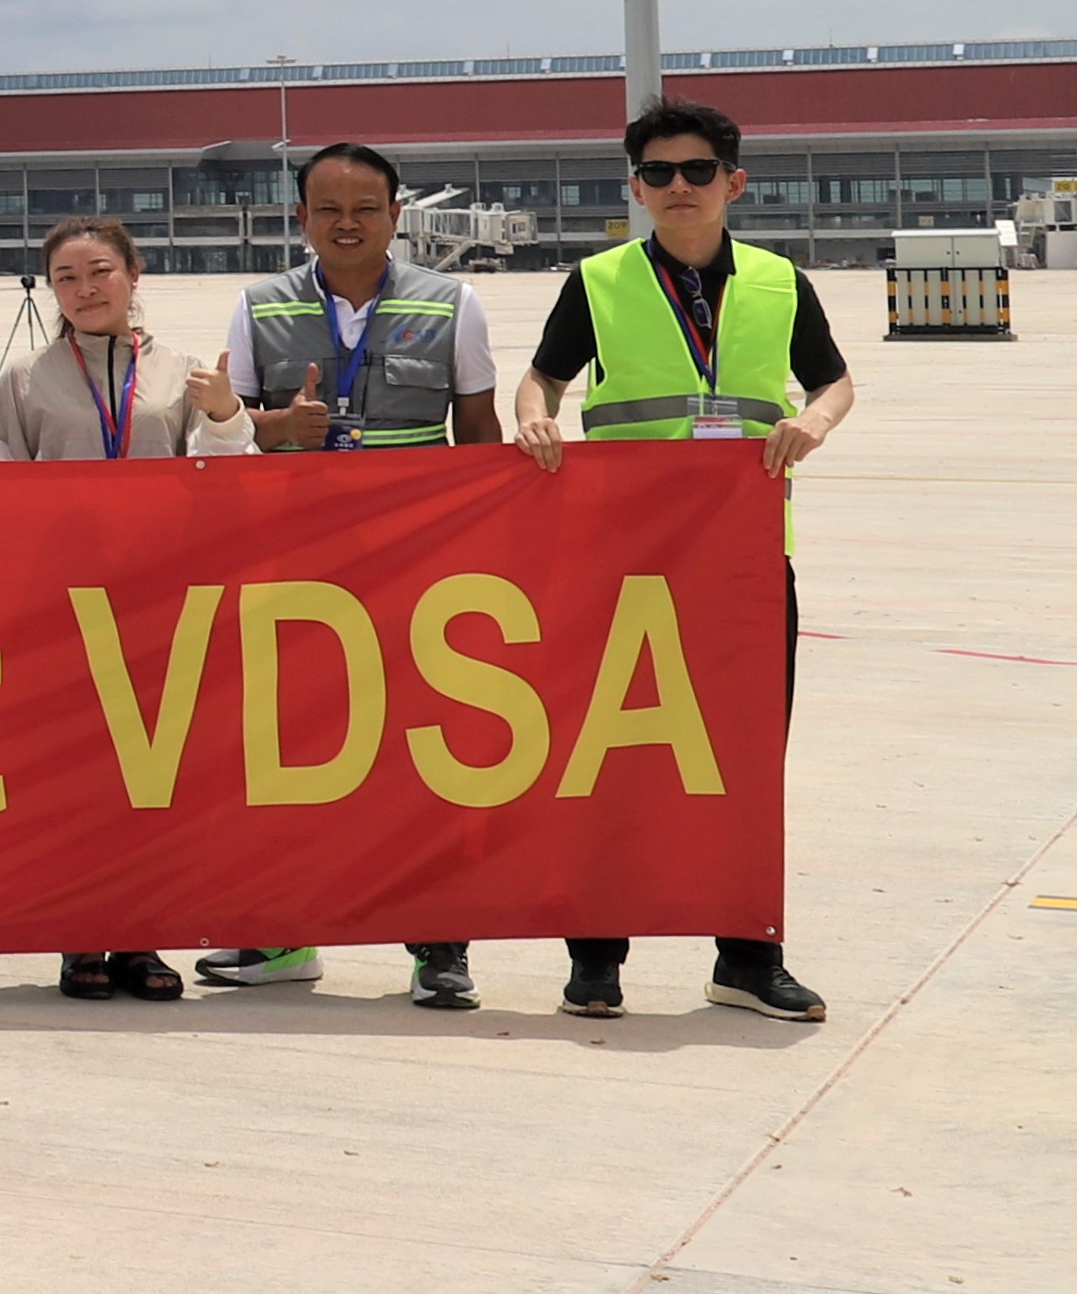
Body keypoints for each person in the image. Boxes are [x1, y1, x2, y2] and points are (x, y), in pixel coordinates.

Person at [518, 98, 844, 1023]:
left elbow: (833, 378)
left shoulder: (782, 283)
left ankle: (746, 953)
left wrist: (812, 421)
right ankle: (595, 955)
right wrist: (530, 412)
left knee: (745, 759)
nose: (675, 187)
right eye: (656, 173)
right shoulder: (599, 280)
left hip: (742, 559)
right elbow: (544, 372)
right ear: (634, 187)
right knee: (608, 755)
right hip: (618, 556)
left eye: (695, 171)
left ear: (731, 182)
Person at [196, 144, 508, 1012]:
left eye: (364, 206)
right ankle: (283, 929)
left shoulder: (452, 303)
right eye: (326, 206)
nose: (345, 221)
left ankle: (438, 944)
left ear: (394, 213)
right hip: (297, 574)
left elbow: (478, 431)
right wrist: (277, 427)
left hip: (417, 569)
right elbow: (228, 427)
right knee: (294, 751)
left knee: (429, 757)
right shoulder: (256, 307)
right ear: (299, 217)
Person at [0, 216, 249, 1005]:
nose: (84, 289)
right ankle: (79, 934)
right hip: (58, 611)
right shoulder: (24, 379)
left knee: (155, 781)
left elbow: (226, 477)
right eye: (66, 277)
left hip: (159, 607)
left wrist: (227, 412)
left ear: (134, 274)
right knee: (71, 780)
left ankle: (140, 933)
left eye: (99, 271)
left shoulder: (185, 372)